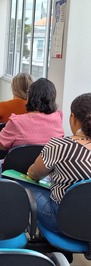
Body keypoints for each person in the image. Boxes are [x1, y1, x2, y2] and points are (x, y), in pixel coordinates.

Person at [26, 93, 91, 234]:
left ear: (73, 118)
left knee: (22, 185)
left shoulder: (60, 145)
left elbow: (34, 174)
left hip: (62, 222)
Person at [0, 78, 64, 178]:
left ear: (29, 97)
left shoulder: (16, 121)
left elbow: (1, 145)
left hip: (15, 171)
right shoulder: (58, 118)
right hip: (45, 173)